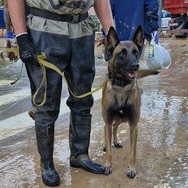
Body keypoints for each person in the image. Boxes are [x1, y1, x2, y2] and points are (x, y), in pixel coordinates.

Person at [7, 0, 113, 187]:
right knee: (46, 103)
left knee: (83, 98)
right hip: (44, 29)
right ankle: (47, 164)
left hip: (82, 29)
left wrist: (112, 35)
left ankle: (80, 155)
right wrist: (22, 36)